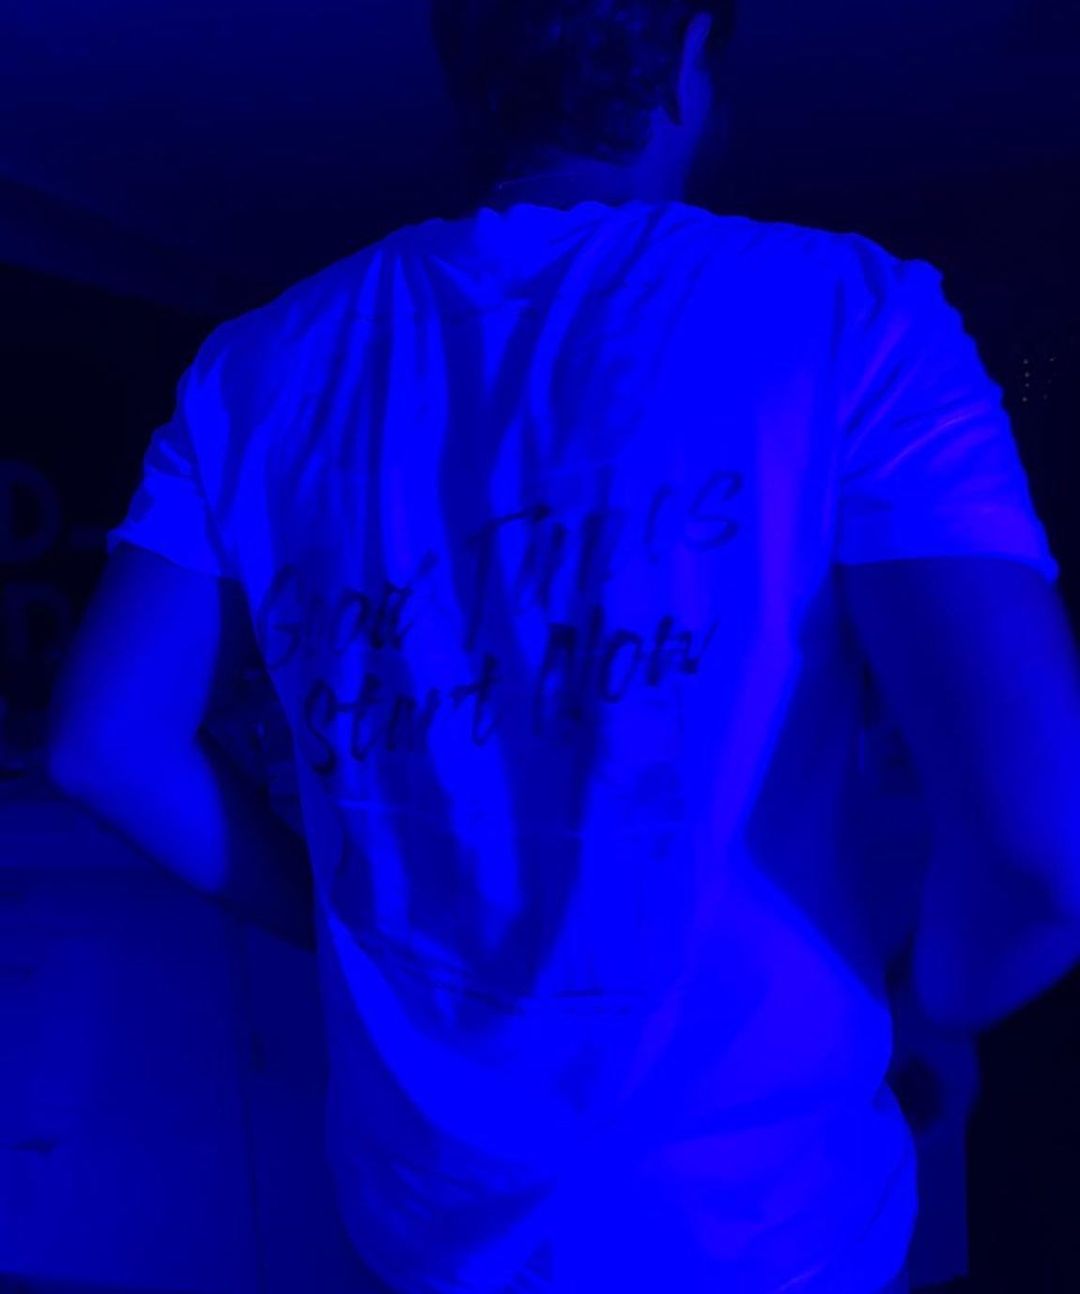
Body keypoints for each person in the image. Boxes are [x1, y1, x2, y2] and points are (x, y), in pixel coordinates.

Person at [44, 3, 1080, 1292]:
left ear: (462, 63)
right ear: (691, 54)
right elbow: (1047, 847)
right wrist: (933, 1006)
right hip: (750, 1217)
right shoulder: (848, 314)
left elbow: (104, 745)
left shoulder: (253, 371)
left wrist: (337, 916)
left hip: (427, 1212)